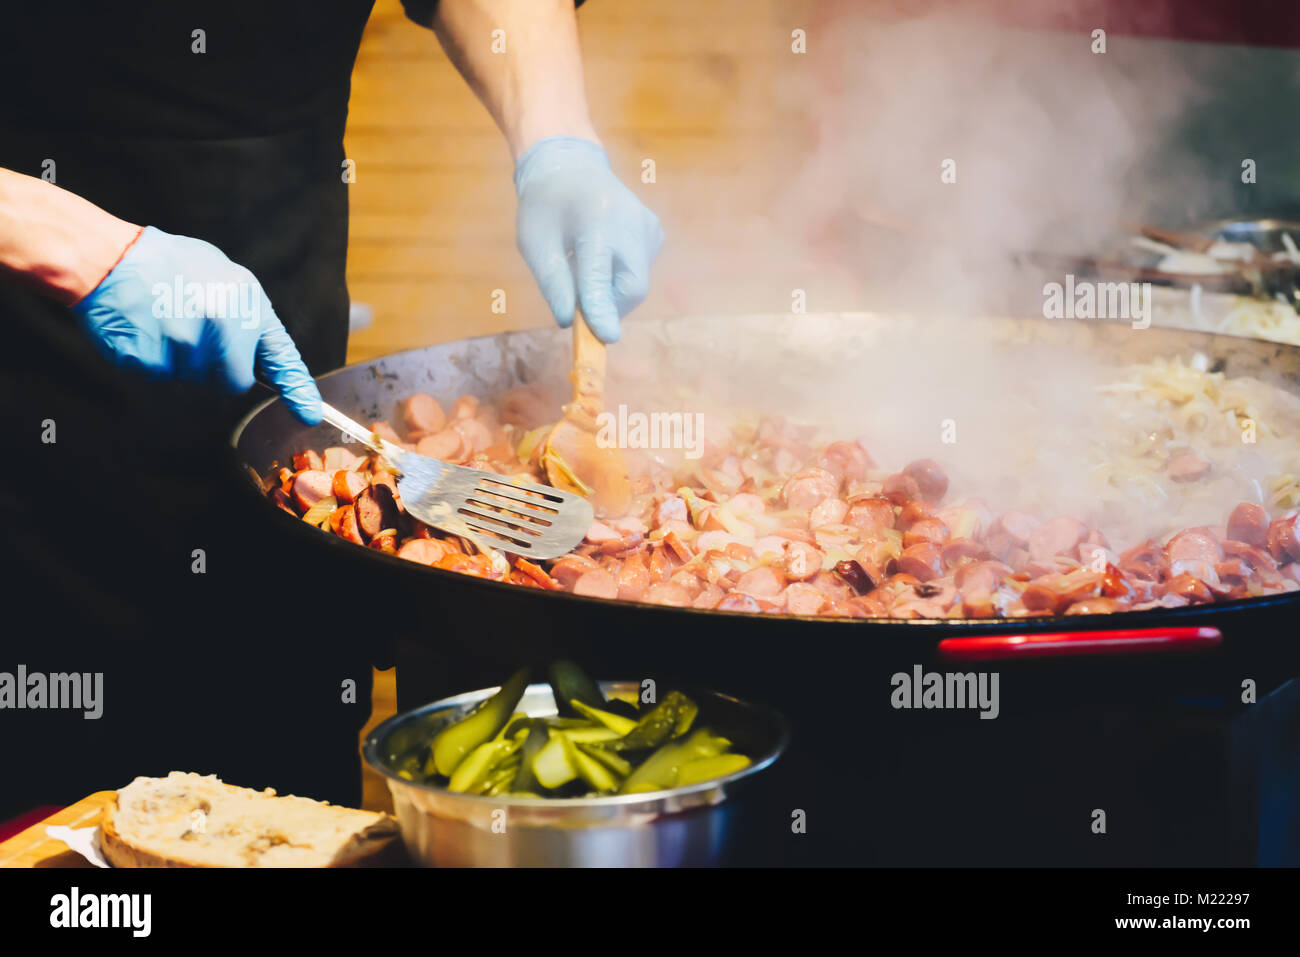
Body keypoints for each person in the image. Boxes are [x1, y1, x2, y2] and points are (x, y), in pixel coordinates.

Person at [0, 1, 662, 818]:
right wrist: (71, 243)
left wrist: (557, 141)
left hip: (276, 392)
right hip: (23, 406)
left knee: (272, 806)